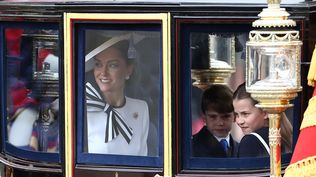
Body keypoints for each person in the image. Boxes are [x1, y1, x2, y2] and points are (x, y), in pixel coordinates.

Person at [85, 33, 149, 156]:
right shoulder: (83, 108)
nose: (103, 73)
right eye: (98, 64)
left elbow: (143, 161)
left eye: (112, 65)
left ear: (128, 70)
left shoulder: (141, 108)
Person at [233, 82, 293, 157]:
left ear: (265, 112)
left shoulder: (250, 142)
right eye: (236, 115)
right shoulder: (287, 137)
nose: (239, 121)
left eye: (245, 114)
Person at [192, 84, 239, 157]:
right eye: (213, 117)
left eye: (226, 116)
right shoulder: (191, 147)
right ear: (204, 117)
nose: (220, 123)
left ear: (235, 117)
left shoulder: (241, 149)